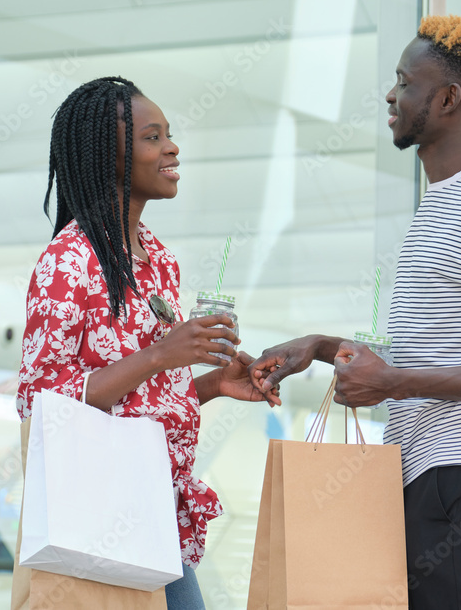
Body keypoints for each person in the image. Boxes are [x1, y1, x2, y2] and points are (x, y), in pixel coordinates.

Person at [249, 16, 461, 609]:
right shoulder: (442, 203)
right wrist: (320, 347)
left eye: (404, 81)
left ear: (447, 98)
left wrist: (394, 382)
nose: (391, 95)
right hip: (428, 469)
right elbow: (438, 356)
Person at [16, 76, 280, 609]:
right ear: (105, 154)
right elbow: (37, 401)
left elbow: (146, 395)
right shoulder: (68, 261)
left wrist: (209, 383)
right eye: (151, 137)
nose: (172, 147)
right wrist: (161, 354)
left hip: (157, 509)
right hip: (100, 518)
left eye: (169, 135)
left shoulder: (159, 258)